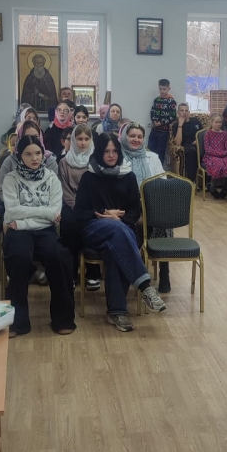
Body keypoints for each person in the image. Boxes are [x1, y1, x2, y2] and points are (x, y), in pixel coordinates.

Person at [74, 133, 166, 331]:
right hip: (93, 229)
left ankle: (117, 312)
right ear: (99, 153)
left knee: (115, 245)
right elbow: (79, 212)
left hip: (121, 230)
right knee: (119, 232)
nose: (111, 155)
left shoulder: (128, 176)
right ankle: (145, 286)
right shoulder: (89, 176)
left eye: (115, 151)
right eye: (106, 151)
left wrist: (121, 219)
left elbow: (135, 210)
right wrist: (104, 214)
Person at [2, 136, 76, 337]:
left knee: (59, 256)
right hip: (18, 232)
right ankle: (16, 322)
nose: (34, 158)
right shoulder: (11, 179)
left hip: (42, 230)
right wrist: (45, 214)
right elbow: (12, 211)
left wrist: (24, 220)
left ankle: (63, 318)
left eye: (38, 153)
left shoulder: (52, 179)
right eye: (28, 154)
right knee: (19, 256)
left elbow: (55, 214)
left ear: (43, 154)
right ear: (19, 156)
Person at [120, 121, 172, 294]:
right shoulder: (118, 158)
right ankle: (136, 270)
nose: (136, 139)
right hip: (126, 207)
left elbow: (162, 183)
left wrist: (146, 200)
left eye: (139, 136)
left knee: (163, 222)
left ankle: (164, 272)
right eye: (132, 136)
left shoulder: (152, 157)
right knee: (137, 222)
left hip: (150, 203)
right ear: (125, 137)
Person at [58, 123, 99, 289]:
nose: (83, 142)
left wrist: (86, 207)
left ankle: (93, 272)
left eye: (86, 139)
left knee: (93, 223)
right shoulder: (64, 162)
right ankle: (72, 272)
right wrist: (76, 206)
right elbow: (65, 188)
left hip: (91, 204)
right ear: (73, 140)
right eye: (79, 139)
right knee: (69, 224)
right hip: (71, 204)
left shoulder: (95, 160)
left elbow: (97, 188)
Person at [0, 120, 58, 199]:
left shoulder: (50, 160)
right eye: (27, 137)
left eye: (36, 136)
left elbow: (54, 191)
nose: (31, 140)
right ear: (20, 138)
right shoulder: (10, 161)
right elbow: (3, 191)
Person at [202, 114, 227, 199]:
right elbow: (207, 149)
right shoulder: (208, 134)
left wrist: (223, 154)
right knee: (218, 165)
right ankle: (212, 186)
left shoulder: (225, 134)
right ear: (212, 122)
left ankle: (226, 187)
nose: (218, 124)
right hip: (211, 156)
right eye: (216, 122)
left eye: (220, 122)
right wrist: (218, 154)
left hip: (224, 155)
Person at [148, 79, 177, 164]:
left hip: (164, 132)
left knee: (160, 152)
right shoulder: (156, 100)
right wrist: (154, 121)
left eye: (164, 89)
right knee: (150, 150)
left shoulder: (171, 101)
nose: (162, 91)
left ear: (168, 89)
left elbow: (173, 116)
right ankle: (149, 168)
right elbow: (152, 112)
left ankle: (158, 169)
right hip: (154, 129)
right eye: (160, 89)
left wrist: (162, 122)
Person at [171, 104, 202, 182]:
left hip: (198, 145)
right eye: (182, 110)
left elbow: (203, 134)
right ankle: (191, 181)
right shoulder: (175, 125)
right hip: (186, 147)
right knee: (192, 151)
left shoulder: (196, 121)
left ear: (189, 112)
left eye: (186, 110)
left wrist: (198, 140)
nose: (184, 112)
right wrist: (180, 125)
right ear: (178, 112)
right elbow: (178, 143)